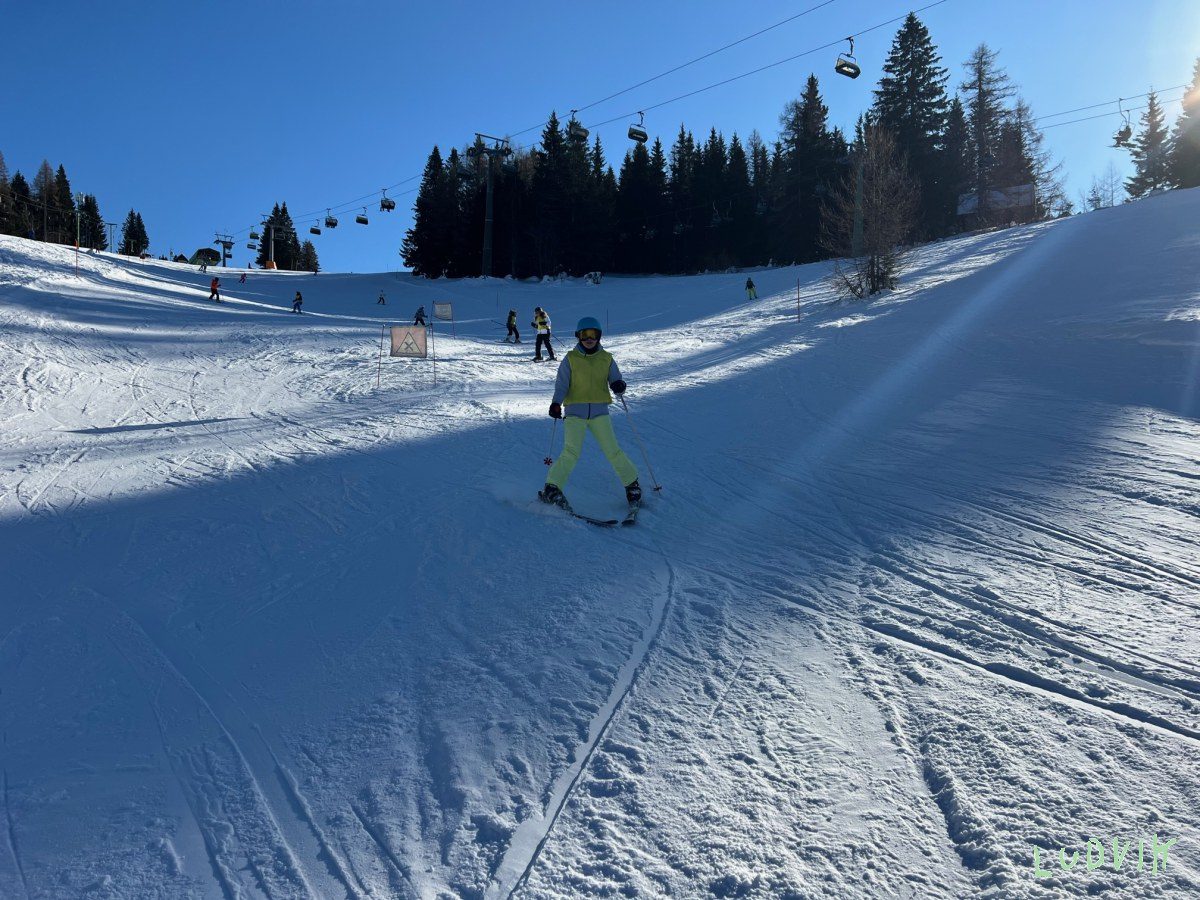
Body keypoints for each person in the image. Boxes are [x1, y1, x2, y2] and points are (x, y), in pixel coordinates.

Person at [539, 317, 640, 508]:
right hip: (574, 413)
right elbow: (562, 385)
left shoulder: (606, 358)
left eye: (593, 334)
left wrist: (619, 385)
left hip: (600, 413)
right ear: (578, 336)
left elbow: (616, 379)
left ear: (599, 336)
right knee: (571, 452)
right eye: (584, 335)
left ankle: (632, 484)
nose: (589, 339)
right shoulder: (571, 359)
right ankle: (552, 487)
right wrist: (556, 403)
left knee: (612, 450)